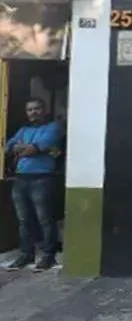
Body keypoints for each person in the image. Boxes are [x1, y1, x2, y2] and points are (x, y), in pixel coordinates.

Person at [5, 97, 62, 271]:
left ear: (43, 110)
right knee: (24, 221)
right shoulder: (23, 130)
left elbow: (40, 146)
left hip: (42, 178)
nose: (33, 112)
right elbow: (9, 147)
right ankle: (25, 255)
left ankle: (48, 256)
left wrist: (27, 148)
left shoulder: (53, 127)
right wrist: (25, 148)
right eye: (30, 110)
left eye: (37, 109)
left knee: (45, 219)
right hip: (21, 178)